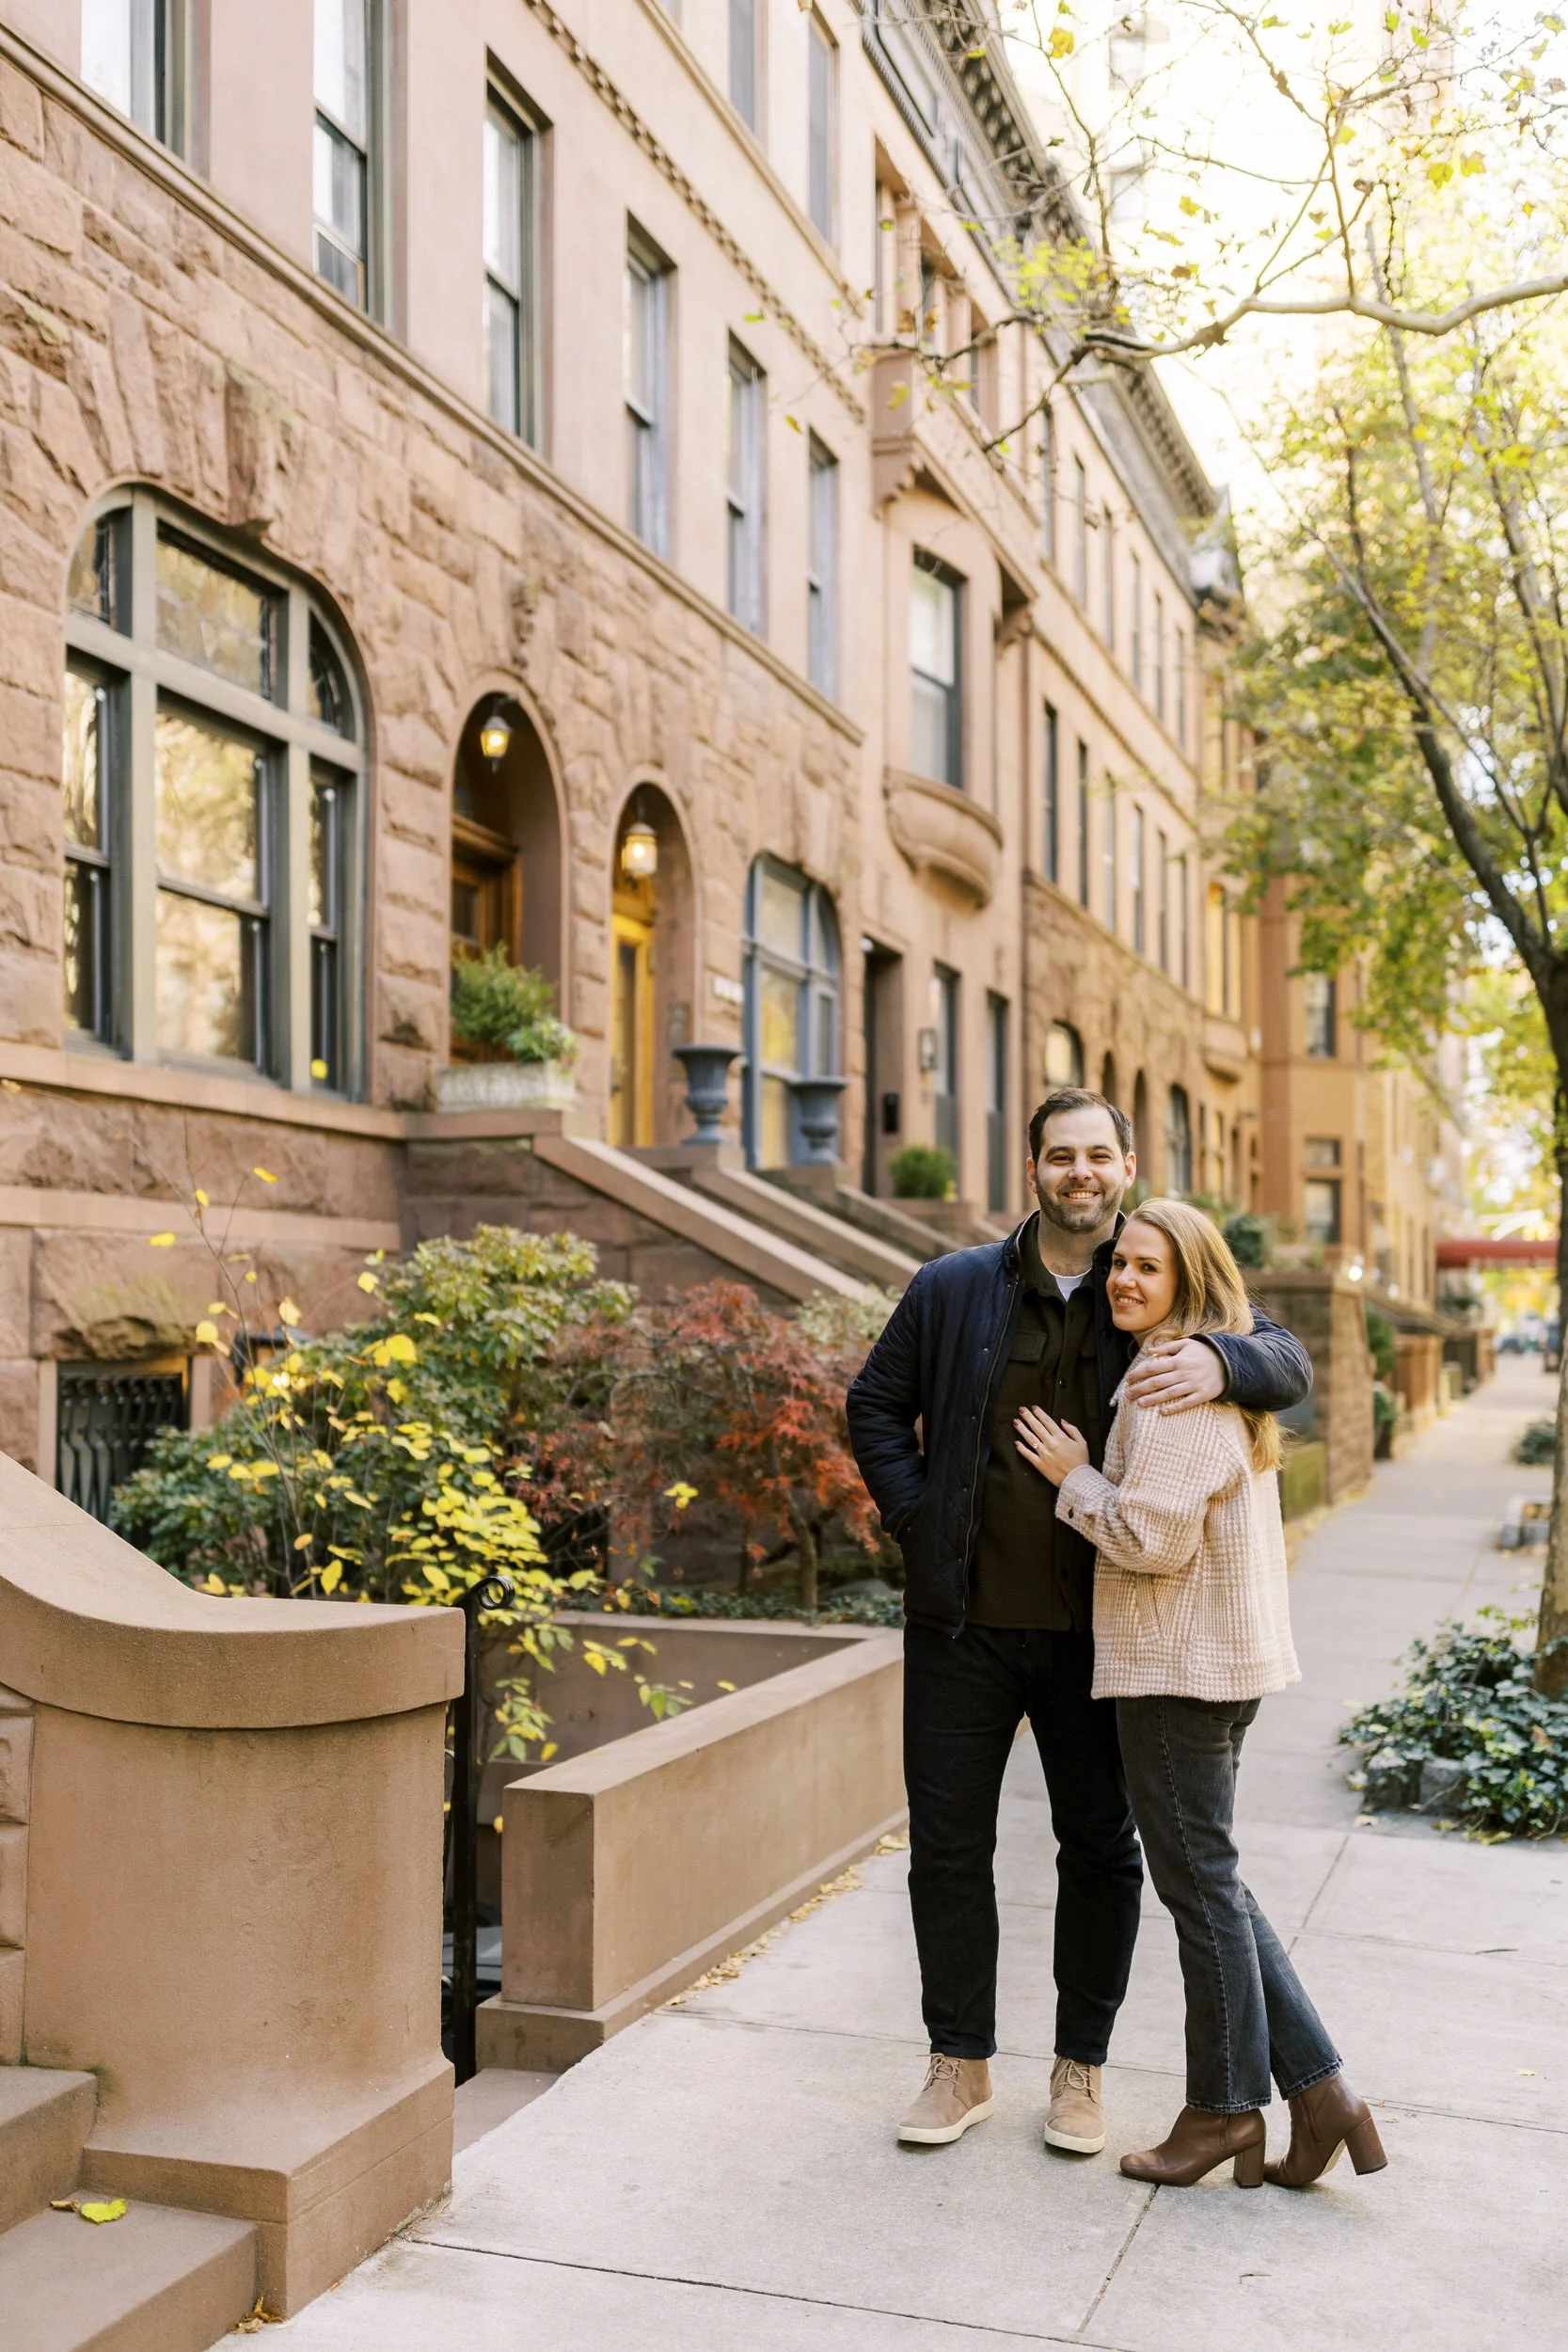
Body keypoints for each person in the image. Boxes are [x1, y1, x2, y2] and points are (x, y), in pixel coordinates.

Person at [846, 1089, 1312, 2157]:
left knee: (1098, 1853)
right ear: (1033, 1169)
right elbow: (872, 1403)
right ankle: (956, 2064)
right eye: (1060, 1155)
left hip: (1098, 1639)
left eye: (1097, 1154)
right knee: (948, 1848)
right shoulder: (952, 1286)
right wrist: (916, 1521)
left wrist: (1224, 1359)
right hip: (960, 1625)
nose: (1079, 1172)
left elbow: (1282, 1357)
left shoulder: (1148, 1289)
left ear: (1125, 1164)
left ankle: (1078, 2070)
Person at [1014, 1198, 1386, 2190]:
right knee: (1211, 1881)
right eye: (1118, 1265)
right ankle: (1321, 2095)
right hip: (1217, 1665)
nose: (1124, 1279)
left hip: (1175, 1670)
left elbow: (1149, 1539)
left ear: (1189, 1278)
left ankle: (1222, 2110)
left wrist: (1074, 1474)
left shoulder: (1167, 1384)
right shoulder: (1205, 1365)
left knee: (1200, 1892)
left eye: (1147, 1266)